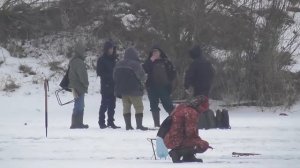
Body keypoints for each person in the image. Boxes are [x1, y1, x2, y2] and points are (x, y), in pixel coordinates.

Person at [163, 96, 211, 163]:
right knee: (204, 145)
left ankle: (188, 156)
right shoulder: (192, 112)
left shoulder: (182, 107)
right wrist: (199, 141)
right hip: (177, 141)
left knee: (193, 140)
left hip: (169, 139)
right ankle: (177, 153)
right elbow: (191, 132)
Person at [114, 47, 148, 131]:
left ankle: (128, 125)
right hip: (134, 89)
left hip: (123, 90)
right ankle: (139, 125)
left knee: (126, 107)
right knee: (139, 107)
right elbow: (142, 77)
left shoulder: (118, 64)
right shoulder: (136, 64)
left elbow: (114, 77)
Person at [143, 46, 176, 127]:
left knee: (168, 105)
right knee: (153, 105)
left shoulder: (166, 61)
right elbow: (143, 69)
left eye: (156, 51)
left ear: (160, 52)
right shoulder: (149, 61)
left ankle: (175, 122)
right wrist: (150, 61)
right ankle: (157, 124)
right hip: (151, 87)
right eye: (153, 52)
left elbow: (173, 73)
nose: (155, 53)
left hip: (164, 87)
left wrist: (169, 82)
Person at [96, 41, 120, 129]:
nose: (111, 50)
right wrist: (110, 76)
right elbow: (99, 72)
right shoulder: (101, 59)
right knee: (104, 104)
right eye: (110, 49)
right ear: (106, 49)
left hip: (113, 85)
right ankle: (101, 122)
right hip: (106, 85)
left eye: (112, 49)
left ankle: (110, 122)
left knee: (112, 105)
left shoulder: (114, 59)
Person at [68, 42, 89, 129]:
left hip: (74, 85)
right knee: (79, 105)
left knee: (79, 104)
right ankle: (76, 124)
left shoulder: (73, 60)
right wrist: (86, 83)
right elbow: (82, 76)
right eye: (84, 51)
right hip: (78, 86)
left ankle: (77, 123)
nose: (85, 53)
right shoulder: (79, 62)